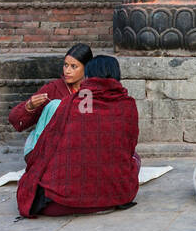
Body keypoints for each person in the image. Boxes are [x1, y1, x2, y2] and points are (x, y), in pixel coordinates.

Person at [17, 55, 140, 218]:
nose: (67, 70)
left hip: (61, 203)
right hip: (115, 196)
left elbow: (46, 146)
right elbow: (128, 147)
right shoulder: (127, 104)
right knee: (135, 158)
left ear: (88, 75)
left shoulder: (72, 102)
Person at [9, 43, 93, 134]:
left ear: (86, 67)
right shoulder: (53, 89)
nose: (67, 71)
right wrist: (29, 107)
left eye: (73, 66)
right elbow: (17, 121)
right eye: (65, 65)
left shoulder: (95, 90)